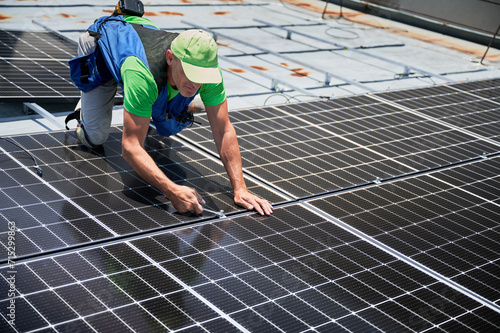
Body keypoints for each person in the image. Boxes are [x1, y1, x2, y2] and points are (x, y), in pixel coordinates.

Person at [67, 10, 273, 216]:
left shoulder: (208, 71)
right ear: (170, 58)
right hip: (102, 51)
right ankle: (85, 109)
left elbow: (223, 130)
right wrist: (171, 190)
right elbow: (130, 147)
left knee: (168, 126)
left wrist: (240, 189)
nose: (195, 83)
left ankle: (147, 103)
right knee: (95, 137)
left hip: (143, 48)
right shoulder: (143, 74)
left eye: (201, 76)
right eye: (191, 73)